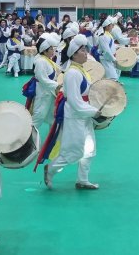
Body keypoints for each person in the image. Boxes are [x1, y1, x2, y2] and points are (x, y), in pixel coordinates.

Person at [44, 34, 102, 190]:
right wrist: (94, 112)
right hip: (75, 116)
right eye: (83, 50)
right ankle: (50, 169)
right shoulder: (72, 74)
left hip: (84, 115)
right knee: (73, 151)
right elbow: (76, 102)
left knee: (89, 150)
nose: (86, 52)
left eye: (86, 49)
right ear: (74, 54)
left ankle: (82, 179)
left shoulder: (81, 71)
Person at [31, 33, 62, 132]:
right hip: (43, 94)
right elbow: (42, 79)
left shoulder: (47, 60)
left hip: (50, 94)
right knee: (38, 118)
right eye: (51, 49)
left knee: (52, 118)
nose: (53, 51)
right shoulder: (41, 62)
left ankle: (52, 141)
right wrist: (57, 85)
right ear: (44, 51)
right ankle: (26, 141)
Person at [98, 16, 119, 81]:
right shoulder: (103, 36)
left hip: (108, 58)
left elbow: (110, 47)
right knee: (112, 77)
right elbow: (106, 50)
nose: (112, 26)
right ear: (107, 27)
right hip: (105, 58)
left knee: (110, 76)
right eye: (111, 25)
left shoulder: (108, 35)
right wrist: (113, 58)